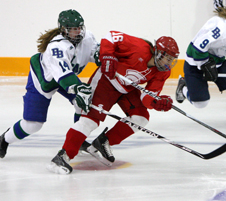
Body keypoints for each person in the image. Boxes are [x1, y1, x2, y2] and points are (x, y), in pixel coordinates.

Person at [47, 31, 180, 174]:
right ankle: (63, 156)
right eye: (167, 58)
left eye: (172, 59)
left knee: (141, 118)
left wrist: (156, 102)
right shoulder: (138, 47)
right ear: (158, 52)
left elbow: (147, 97)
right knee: (90, 121)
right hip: (106, 82)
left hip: (128, 89)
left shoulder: (163, 72)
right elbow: (110, 36)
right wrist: (108, 56)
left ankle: (103, 142)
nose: (169, 63)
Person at [0, 9, 100, 159]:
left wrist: (102, 56)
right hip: (44, 78)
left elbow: (93, 53)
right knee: (33, 125)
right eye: (73, 29)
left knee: (82, 103)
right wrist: (78, 88)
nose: (78, 31)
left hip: (65, 76)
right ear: (64, 30)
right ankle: (3, 140)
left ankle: (78, 140)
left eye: (79, 27)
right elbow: (63, 74)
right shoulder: (56, 47)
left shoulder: (88, 37)